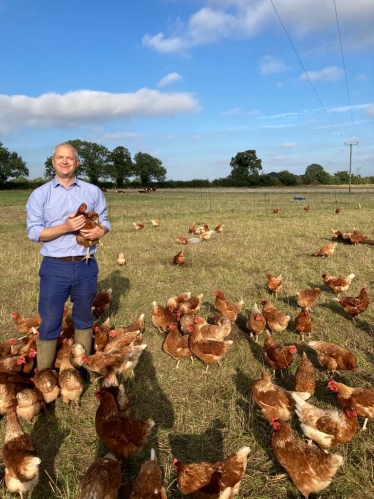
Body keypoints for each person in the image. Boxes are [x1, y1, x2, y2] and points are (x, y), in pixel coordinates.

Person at [26, 143, 111, 371]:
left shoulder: (92, 191)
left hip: (85, 265)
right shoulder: (40, 194)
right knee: (51, 321)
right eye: (60, 158)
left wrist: (100, 231)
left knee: (84, 317)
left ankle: (82, 369)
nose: (65, 161)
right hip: (55, 267)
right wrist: (65, 227)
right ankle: (45, 374)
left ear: (77, 163)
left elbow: (105, 220)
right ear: (53, 162)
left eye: (70, 158)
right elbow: (34, 232)